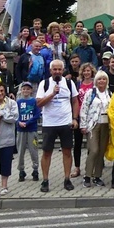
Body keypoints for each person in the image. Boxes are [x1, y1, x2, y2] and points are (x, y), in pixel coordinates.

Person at [36, 60, 79, 192]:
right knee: (46, 152)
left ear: (63, 70)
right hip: (49, 123)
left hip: (65, 122)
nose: (57, 72)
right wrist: (52, 94)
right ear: (50, 71)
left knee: (67, 151)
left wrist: (75, 118)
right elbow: (39, 103)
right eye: (55, 69)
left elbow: (75, 101)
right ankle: (45, 180)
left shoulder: (69, 83)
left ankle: (67, 179)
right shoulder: (45, 84)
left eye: (59, 69)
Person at [80, 70, 111, 187]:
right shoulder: (90, 93)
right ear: (96, 81)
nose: (101, 81)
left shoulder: (110, 93)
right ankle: (87, 176)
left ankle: (97, 176)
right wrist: (83, 125)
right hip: (93, 124)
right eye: (99, 79)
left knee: (101, 151)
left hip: (106, 124)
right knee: (94, 150)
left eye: (104, 79)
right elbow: (84, 109)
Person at [71, 63, 96, 178]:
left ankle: (92, 166)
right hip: (79, 116)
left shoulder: (95, 85)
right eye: (84, 71)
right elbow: (74, 100)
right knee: (77, 143)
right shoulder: (77, 84)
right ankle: (77, 167)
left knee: (92, 144)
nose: (86, 73)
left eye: (88, 71)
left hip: (92, 117)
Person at [16, 82, 41, 182]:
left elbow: (37, 114)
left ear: (31, 90)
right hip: (21, 130)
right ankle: (21, 170)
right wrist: (19, 122)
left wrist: (28, 122)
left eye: (28, 89)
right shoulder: (18, 102)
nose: (25, 91)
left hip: (32, 129)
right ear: (21, 90)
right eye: (24, 89)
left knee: (33, 150)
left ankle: (35, 169)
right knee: (21, 150)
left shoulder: (34, 101)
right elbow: (14, 115)